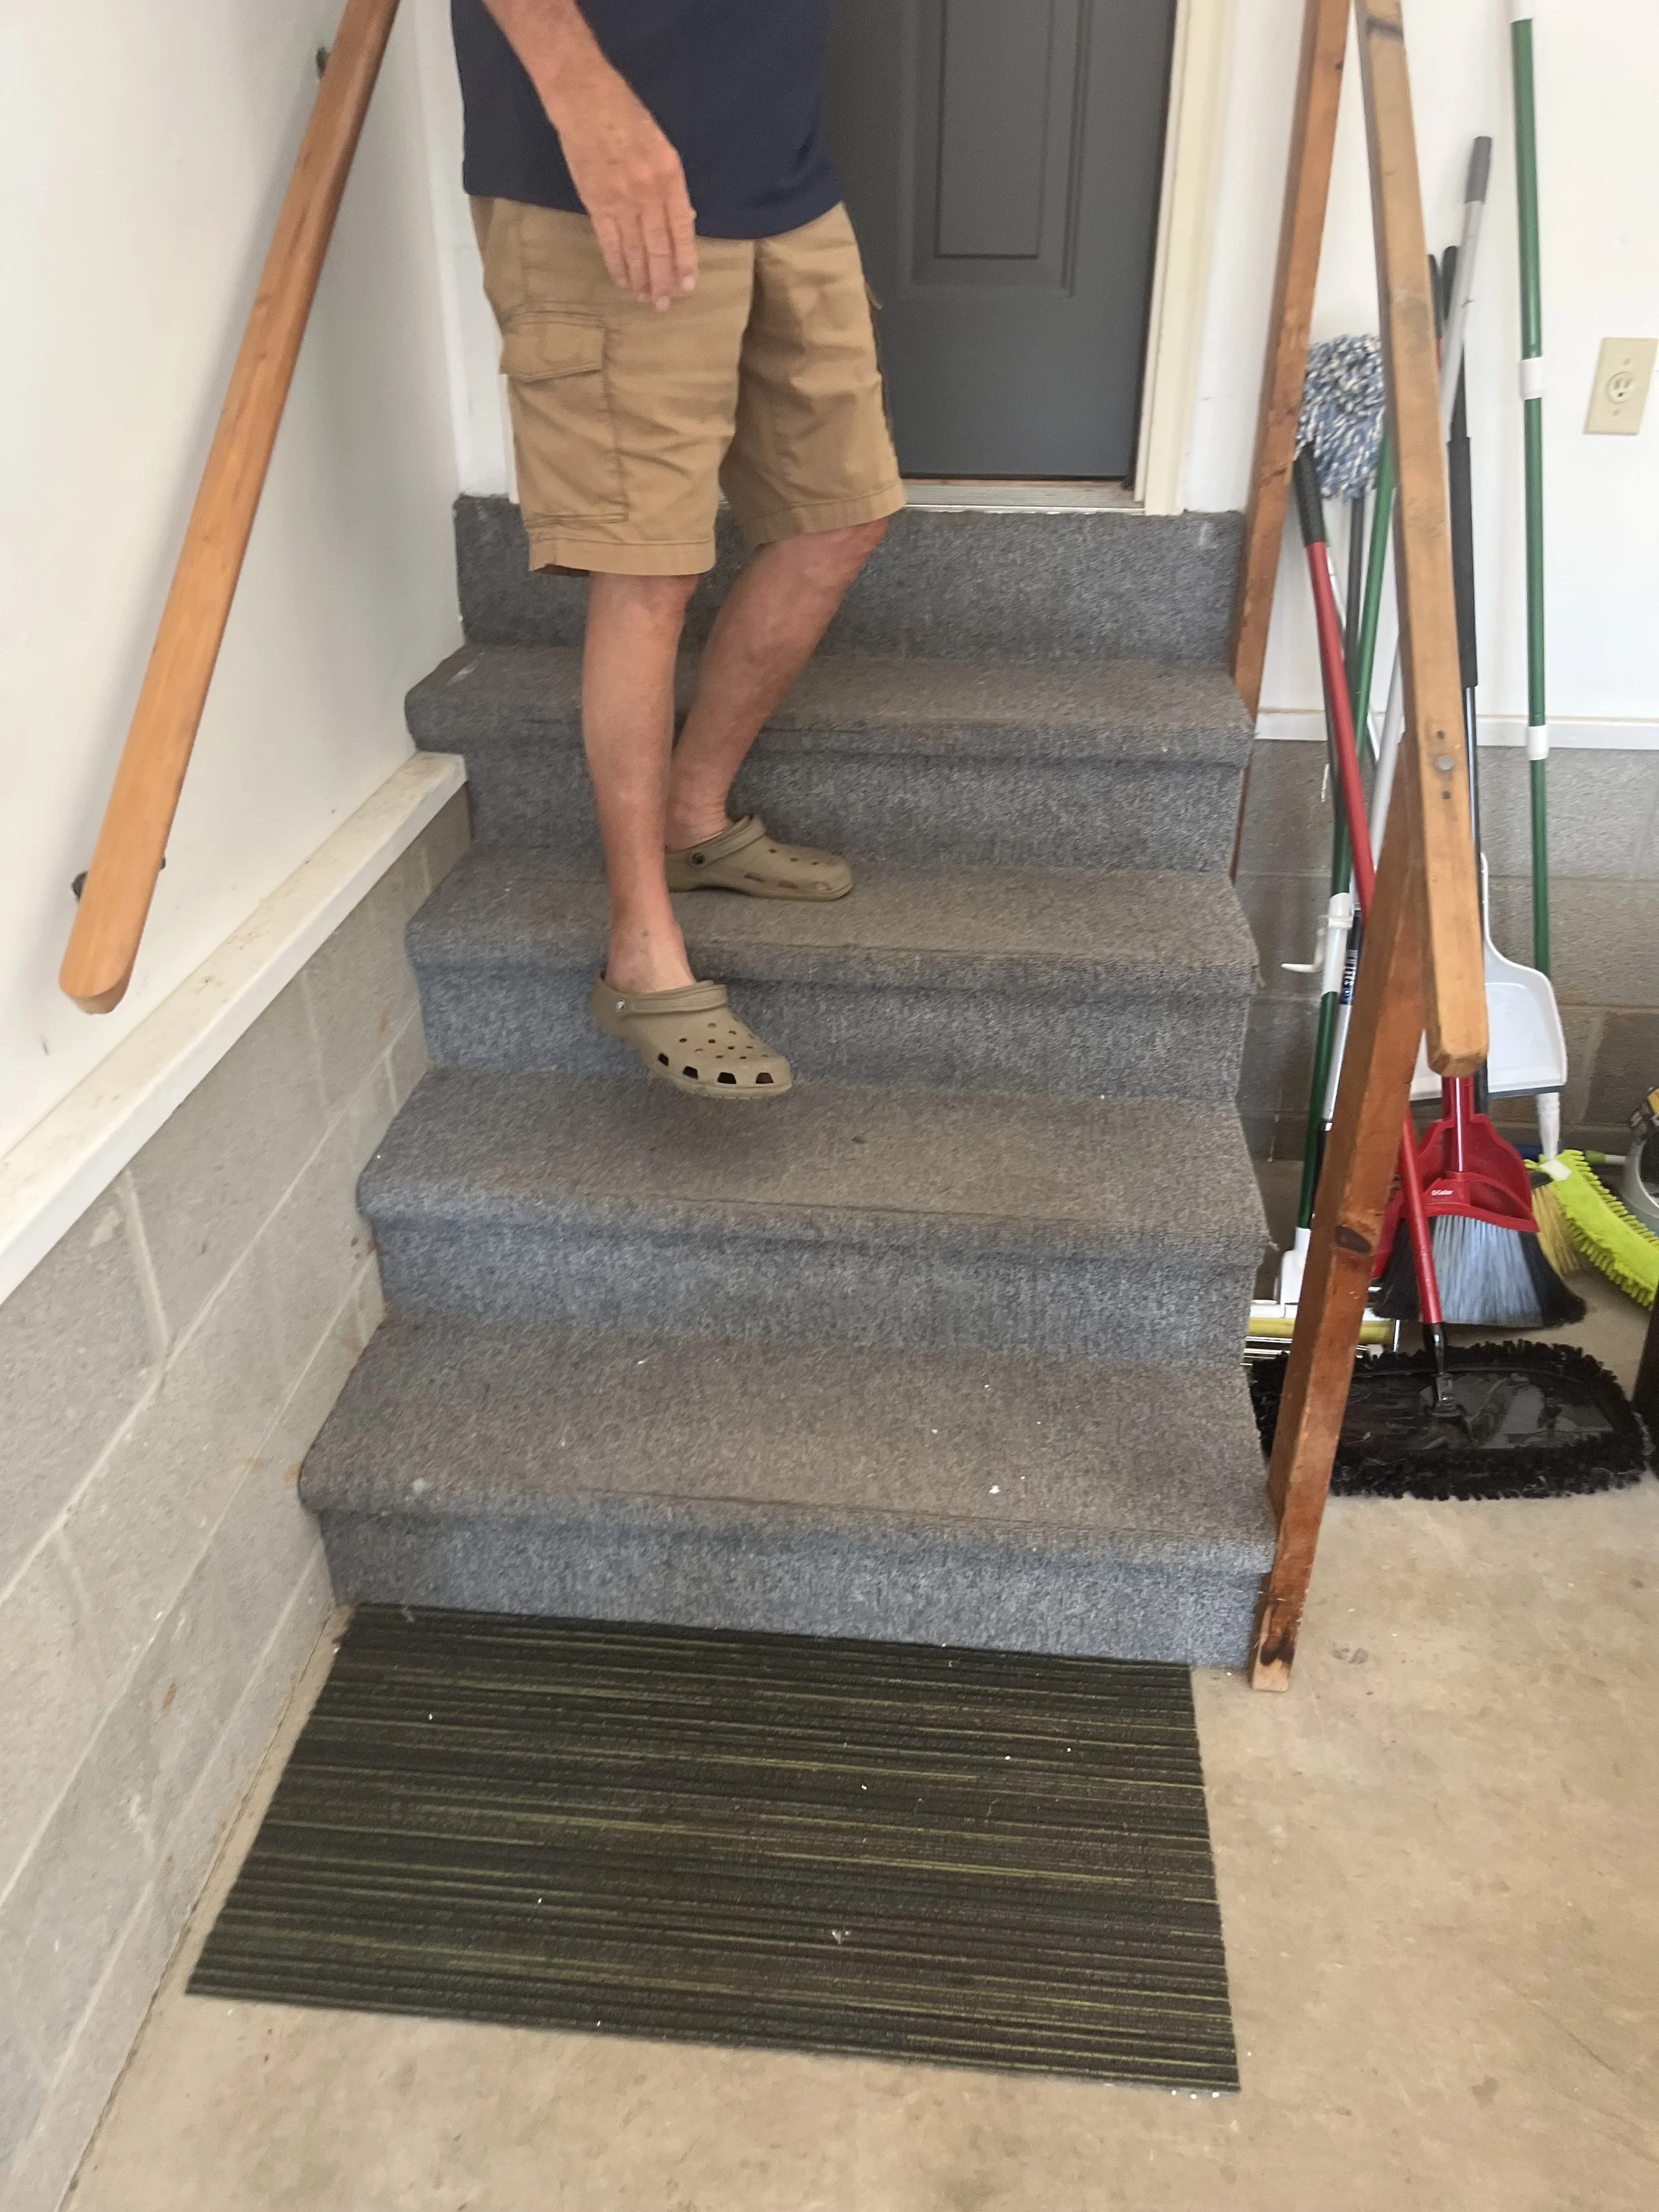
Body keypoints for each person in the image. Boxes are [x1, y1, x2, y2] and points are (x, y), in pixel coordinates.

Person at [453, 0, 905, 1099]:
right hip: (603, 171)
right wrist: (585, 99)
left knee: (841, 511)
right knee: (649, 563)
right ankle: (639, 952)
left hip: (781, 165)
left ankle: (691, 817)